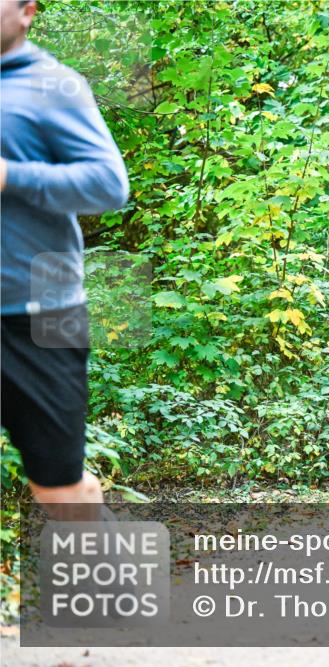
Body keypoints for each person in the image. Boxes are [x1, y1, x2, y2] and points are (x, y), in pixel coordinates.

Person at [1, 0, 130, 520]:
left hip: (39, 312)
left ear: (27, 12)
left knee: (59, 488)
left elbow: (108, 185)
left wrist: (10, 176)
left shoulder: (55, 86)